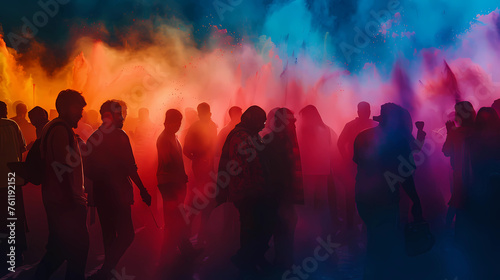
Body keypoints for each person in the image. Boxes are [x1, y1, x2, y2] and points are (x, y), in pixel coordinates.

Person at [353, 103, 423, 280]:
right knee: (384, 243)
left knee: (373, 238)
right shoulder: (398, 141)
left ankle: (370, 274)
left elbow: (357, 164)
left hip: (362, 197)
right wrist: (415, 200)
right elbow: (405, 175)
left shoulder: (362, 136)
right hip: (385, 198)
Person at [85, 100, 152, 280]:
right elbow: (131, 167)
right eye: (119, 114)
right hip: (118, 193)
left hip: (101, 193)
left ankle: (107, 271)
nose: (122, 118)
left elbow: (87, 167)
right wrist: (143, 190)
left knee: (109, 234)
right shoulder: (120, 136)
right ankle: (107, 269)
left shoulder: (94, 137)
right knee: (127, 234)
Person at [35, 89, 89, 280]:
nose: (81, 113)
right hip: (66, 203)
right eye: (78, 108)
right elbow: (61, 169)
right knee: (79, 251)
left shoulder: (54, 127)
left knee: (59, 251)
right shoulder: (60, 129)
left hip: (58, 201)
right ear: (64, 108)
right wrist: (72, 203)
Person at [217, 106, 275, 277]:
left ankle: (251, 259)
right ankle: (245, 262)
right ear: (251, 119)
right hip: (246, 192)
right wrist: (253, 190)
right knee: (250, 228)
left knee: (254, 227)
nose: (263, 125)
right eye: (261, 121)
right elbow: (241, 168)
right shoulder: (240, 136)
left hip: (252, 191)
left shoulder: (249, 134)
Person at [156, 109, 199, 267]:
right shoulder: (164, 139)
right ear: (168, 122)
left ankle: (180, 251)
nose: (178, 126)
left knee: (176, 218)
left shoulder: (172, 137)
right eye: (176, 123)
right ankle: (169, 255)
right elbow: (168, 162)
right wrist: (180, 175)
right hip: (169, 183)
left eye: (180, 123)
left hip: (173, 182)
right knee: (175, 218)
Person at [461, 107, 500, 279]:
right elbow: (466, 168)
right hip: (481, 191)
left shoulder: (473, 139)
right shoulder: (471, 140)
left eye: (488, 120)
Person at [263, 108, 303, 270]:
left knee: (285, 225)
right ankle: (282, 262)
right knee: (282, 226)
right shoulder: (273, 140)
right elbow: (268, 169)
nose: (294, 125)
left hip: (283, 193)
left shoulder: (285, 139)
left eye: (294, 121)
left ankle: (284, 260)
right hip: (278, 193)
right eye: (291, 122)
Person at [337, 102, 377, 234]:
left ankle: (364, 225)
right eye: (363, 110)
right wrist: (347, 159)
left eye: (367, 110)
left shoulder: (374, 125)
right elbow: (340, 143)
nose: (366, 112)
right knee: (351, 194)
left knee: (368, 194)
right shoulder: (351, 126)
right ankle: (351, 226)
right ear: (358, 111)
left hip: (371, 167)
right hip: (355, 166)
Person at [183, 102, 218, 245]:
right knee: (200, 200)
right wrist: (197, 158)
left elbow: (214, 148)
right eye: (202, 114)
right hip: (200, 171)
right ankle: (187, 231)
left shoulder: (212, 126)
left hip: (209, 169)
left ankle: (200, 233)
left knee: (207, 202)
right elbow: (186, 149)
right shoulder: (195, 127)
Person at [442, 101, 476, 246]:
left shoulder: (457, 133)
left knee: (457, 203)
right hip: (476, 175)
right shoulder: (477, 131)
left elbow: (446, 151)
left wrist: (450, 132)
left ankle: (451, 236)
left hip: (459, 175)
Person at [0, 101, 27, 277]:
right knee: (14, 218)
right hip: (12, 180)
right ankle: (15, 255)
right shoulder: (12, 125)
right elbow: (22, 148)